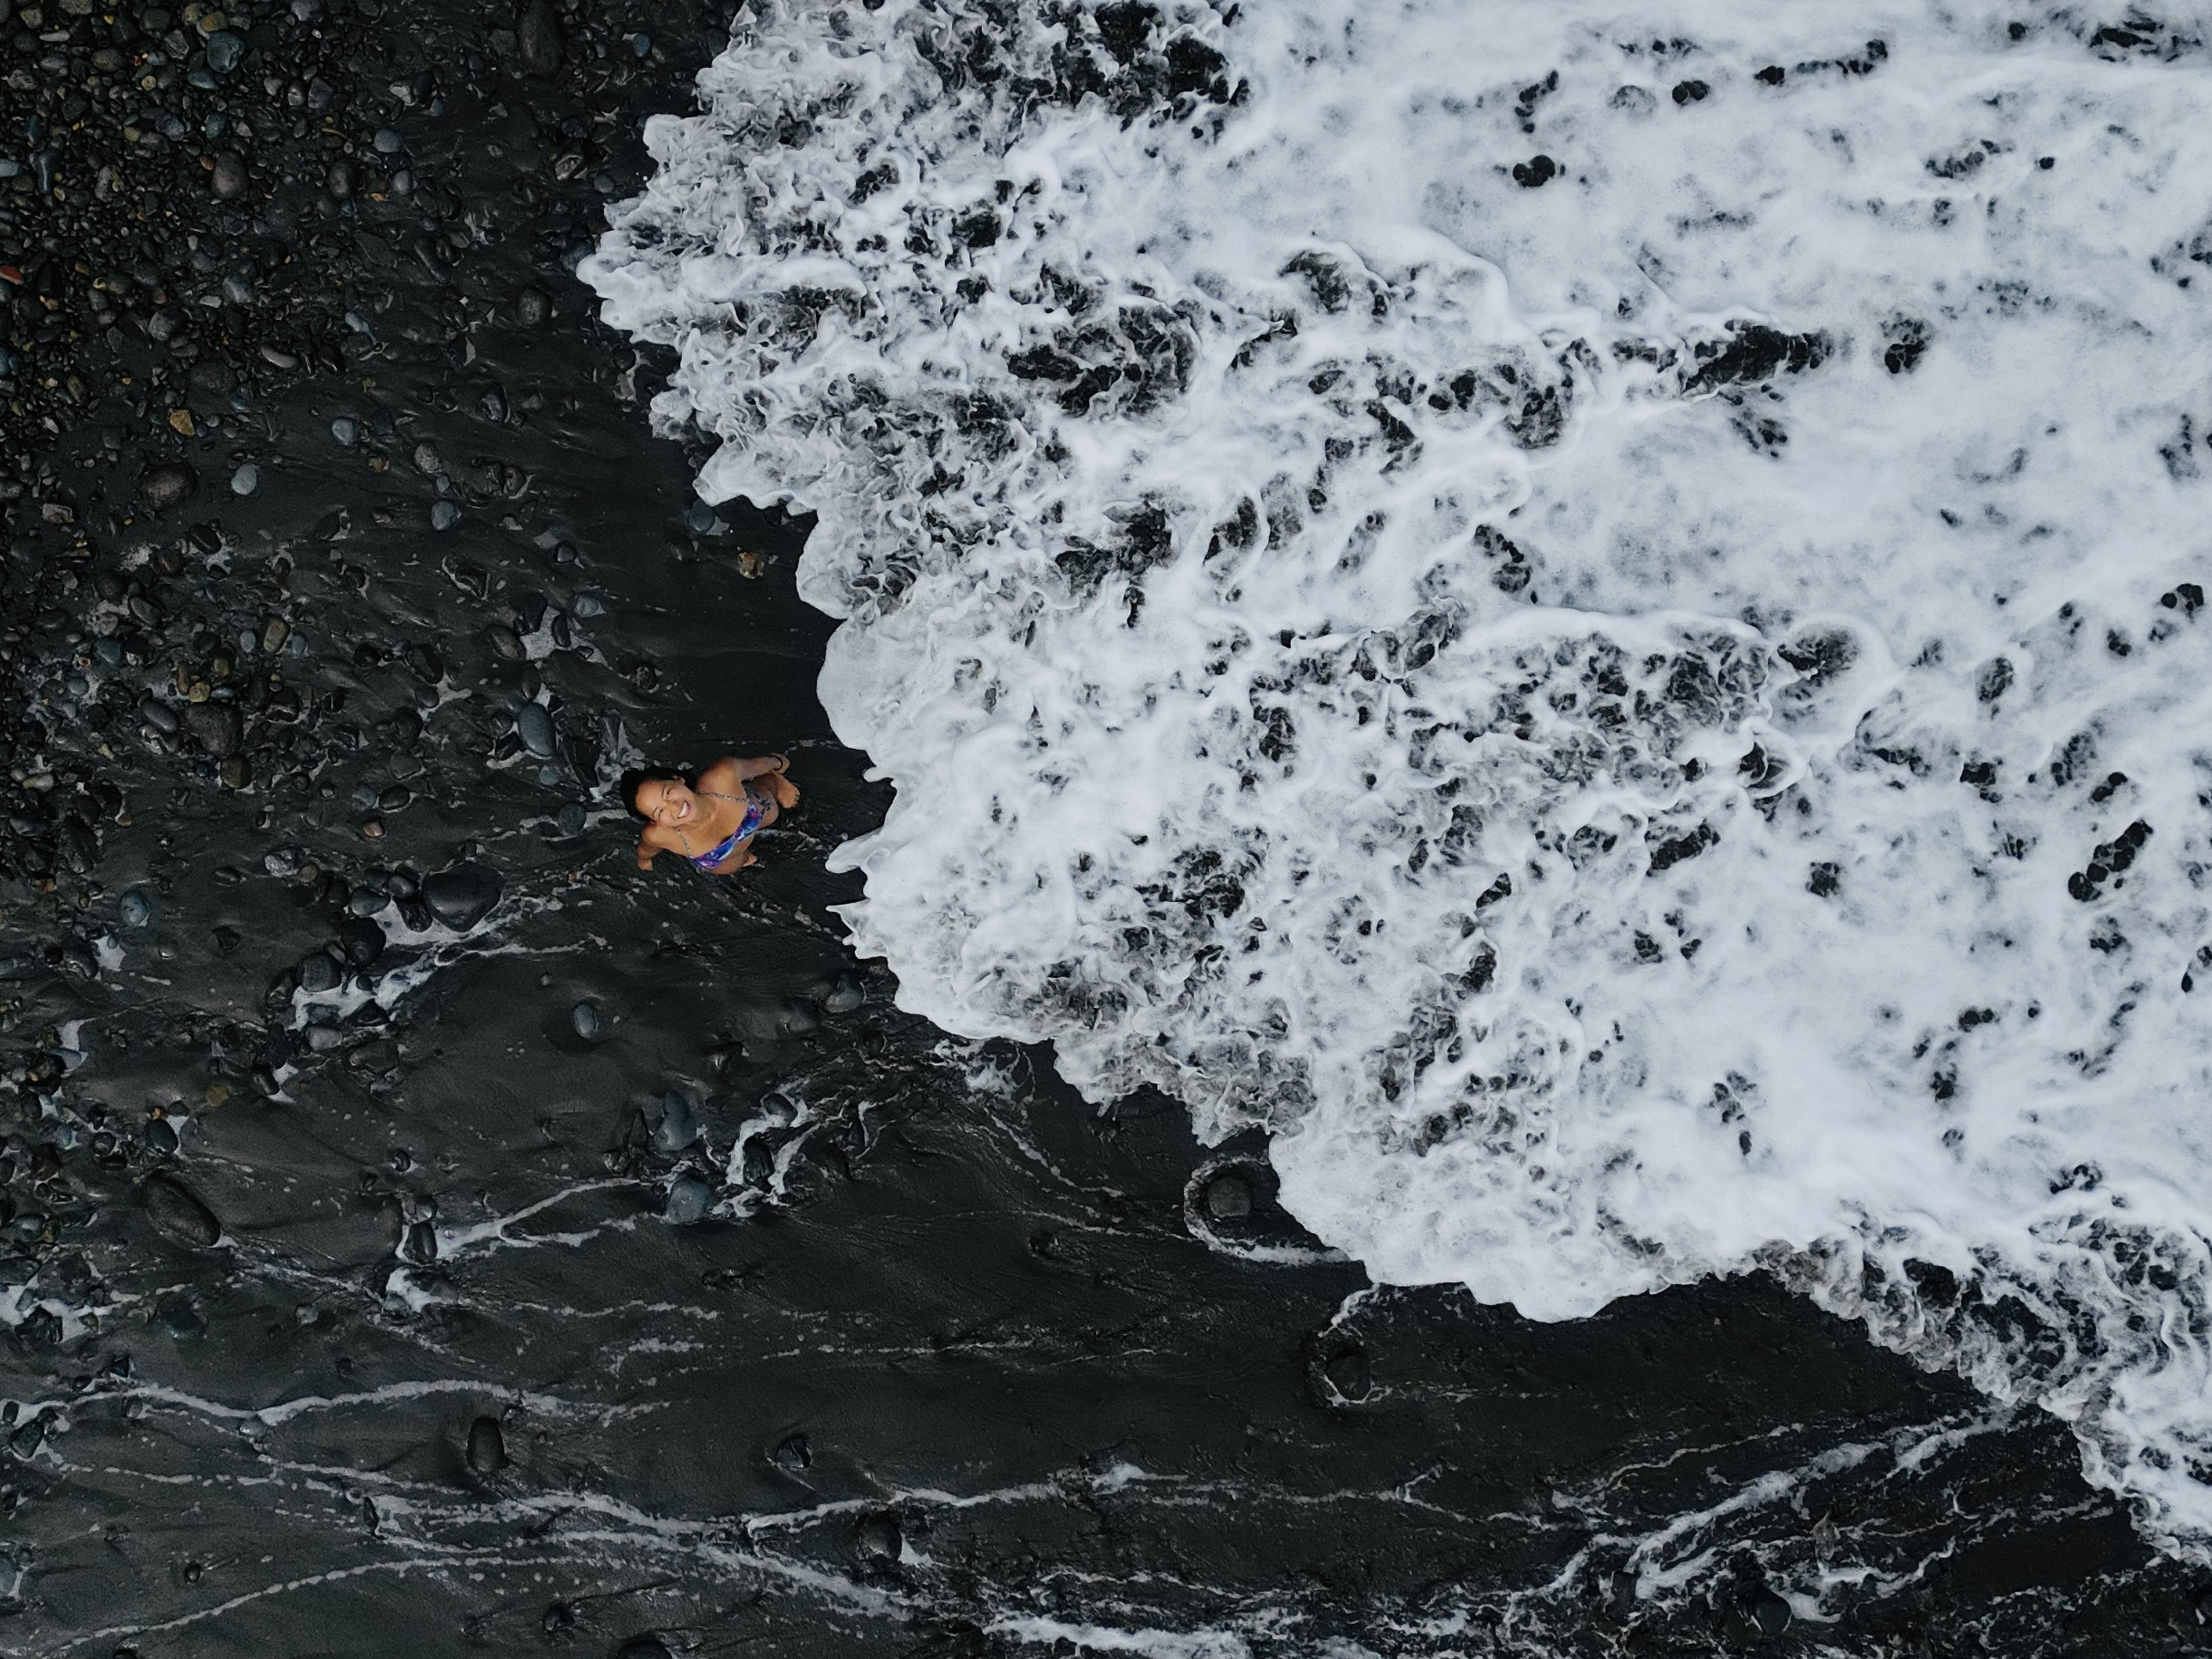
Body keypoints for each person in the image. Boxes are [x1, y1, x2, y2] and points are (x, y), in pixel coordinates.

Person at [624, 755, 799, 875]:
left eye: (668, 793)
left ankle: (775, 782)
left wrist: (778, 763)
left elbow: (756, 766)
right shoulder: (657, 834)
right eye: (660, 811)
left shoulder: (723, 775)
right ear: (656, 821)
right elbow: (646, 849)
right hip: (725, 859)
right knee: (739, 861)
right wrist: (643, 861)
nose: (674, 807)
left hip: (753, 816)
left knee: (770, 797)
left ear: (678, 779)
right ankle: (744, 855)